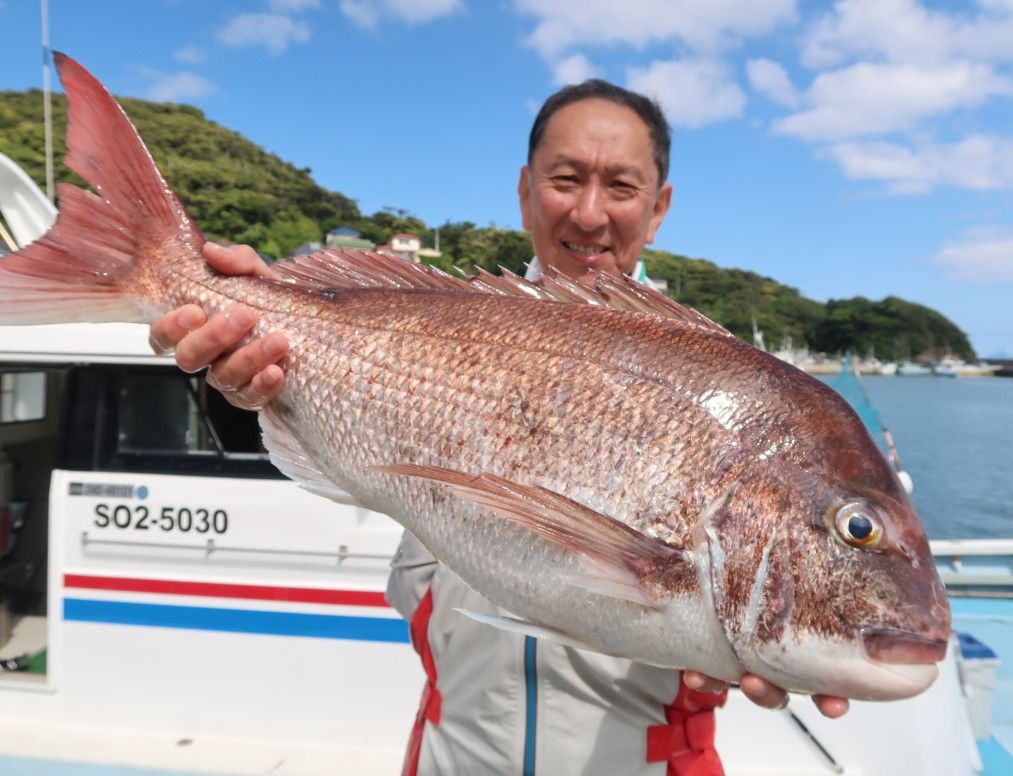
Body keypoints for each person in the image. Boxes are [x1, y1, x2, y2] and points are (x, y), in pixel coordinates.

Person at [150, 79, 849, 775]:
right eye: (565, 179)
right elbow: (293, 437)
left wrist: (807, 640)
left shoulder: (730, 392)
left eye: (622, 187)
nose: (589, 212)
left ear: (659, 208)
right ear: (525, 191)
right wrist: (234, 370)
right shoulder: (440, 324)